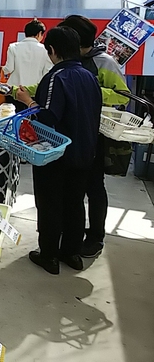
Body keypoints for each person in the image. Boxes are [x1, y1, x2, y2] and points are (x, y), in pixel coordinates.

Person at [14, 27, 101, 274]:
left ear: (51, 50)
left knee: (50, 203)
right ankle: (72, 253)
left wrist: (27, 101)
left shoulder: (57, 77)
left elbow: (48, 117)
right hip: (84, 153)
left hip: (56, 154)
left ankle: (49, 255)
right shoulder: (89, 77)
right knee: (74, 203)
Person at [59, 15, 129, 259]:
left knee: (94, 187)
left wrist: (89, 91)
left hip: (95, 134)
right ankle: (71, 233)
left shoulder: (104, 62)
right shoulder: (69, 59)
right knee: (71, 187)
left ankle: (96, 236)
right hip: (69, 133)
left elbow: (123, 96)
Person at [2, 20, 52, 87]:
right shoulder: (46, 50)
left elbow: (9, 69)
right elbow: (47, 72)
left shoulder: (13, 47)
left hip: (15, 89)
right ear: (39, 34)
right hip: (35, 90)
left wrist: (2, 69)